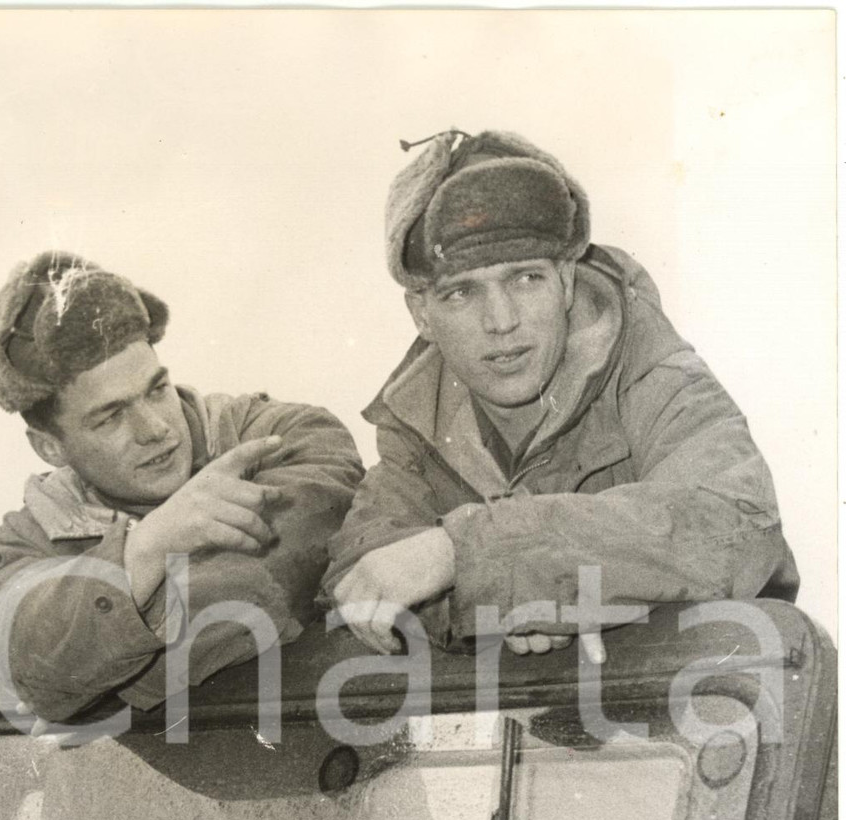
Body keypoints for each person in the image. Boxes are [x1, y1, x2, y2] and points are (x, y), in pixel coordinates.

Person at [323, 129, 798, 658]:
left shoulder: (651, 372)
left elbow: (735, 523)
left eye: (526, 279)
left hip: (698, 713)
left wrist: (478, 556)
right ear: (422, 316)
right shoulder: (416, 424)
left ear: (567, 282)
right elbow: (361, 570)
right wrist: (502, 606)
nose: (501, 322)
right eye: (460, 293)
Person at [0, 252, 363, 722]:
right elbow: (20, 658)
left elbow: (260, 584)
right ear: (50, 449)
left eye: (156, 390)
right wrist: (145, 549)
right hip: (147, 795)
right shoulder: (26, 542)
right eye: (111, 416)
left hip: (341, 774)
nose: (155, 428)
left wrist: (95, 687)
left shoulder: (283, 437)